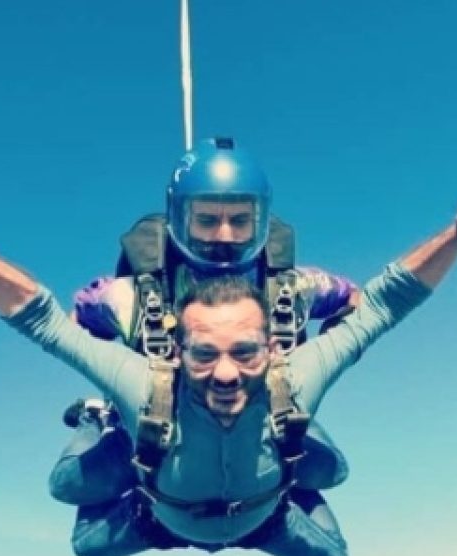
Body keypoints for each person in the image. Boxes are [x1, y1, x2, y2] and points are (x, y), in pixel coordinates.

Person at [0, 161, 457, 556]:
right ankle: (103, 426)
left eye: (245, 353)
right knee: (80, 527)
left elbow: (385, 303)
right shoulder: (146, 384)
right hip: (159, 510)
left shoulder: (296, 372)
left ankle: (274, 484)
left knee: (333, 538)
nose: (225, 373)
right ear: (176, 353)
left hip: (262, 513)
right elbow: (42, 319)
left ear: (272, 349)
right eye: (204, 354)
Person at [52, 137, 360, 509]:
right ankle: (99, 419)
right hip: (159, 420)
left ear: (260, 220)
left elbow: (353, 301)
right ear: (180, 218)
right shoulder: (127, 297)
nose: (224, 236)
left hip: (256, 419)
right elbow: (77, 325)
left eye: (240, 220)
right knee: (73, 485)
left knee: (328, 471)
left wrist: (316, 360)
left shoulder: (295, 289)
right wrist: (117, 379)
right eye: (207, 220)